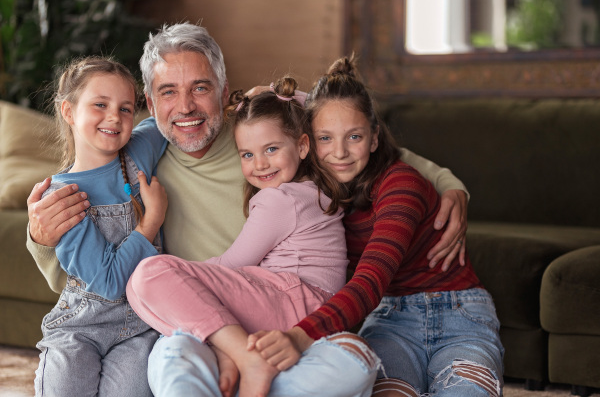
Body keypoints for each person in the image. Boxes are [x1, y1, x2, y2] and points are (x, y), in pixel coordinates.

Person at [26, 23, 470, 396]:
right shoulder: (140, 148)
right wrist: (41, 237)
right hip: (195, 319)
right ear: (149, 99)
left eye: (201, 88)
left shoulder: (261, 137)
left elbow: (352, 142)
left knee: (353, 364)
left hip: (278, 311)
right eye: (168, 92)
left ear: (223, 90)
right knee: (165, 362)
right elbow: (91, 267)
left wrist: (447, 183)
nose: (185, 107)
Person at [254, 55, 503, 397]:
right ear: (307, 142)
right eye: (325, 138)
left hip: (460, 315)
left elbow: (370, 281)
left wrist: (298, 337)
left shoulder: (401, 184)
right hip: (390, 321)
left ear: (373, 139)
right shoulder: (313, 194)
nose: (339, 152)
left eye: (353, 137)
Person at [126, 76, 379, 397]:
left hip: (296, 302)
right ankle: (231, 350)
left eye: (271, 149)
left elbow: (233, 264)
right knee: (153, 286)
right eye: (247, 154)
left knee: (151, 274)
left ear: (303, 145)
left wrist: (186, 276)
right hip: (302, 305)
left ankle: (243, 356)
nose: (259, 164)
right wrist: (281, 96)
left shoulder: (281, 200)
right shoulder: (311, 189)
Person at [33, 56, 168, 397]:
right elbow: (108, 283)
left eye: (126, 108)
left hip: (142, 325)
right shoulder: (61, 197)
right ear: (68, 112)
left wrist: (252, 98)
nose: (115, 117)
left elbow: (178, 116)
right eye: (100, 105)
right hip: (81, 326)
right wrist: (151, 222)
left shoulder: (140, 149)